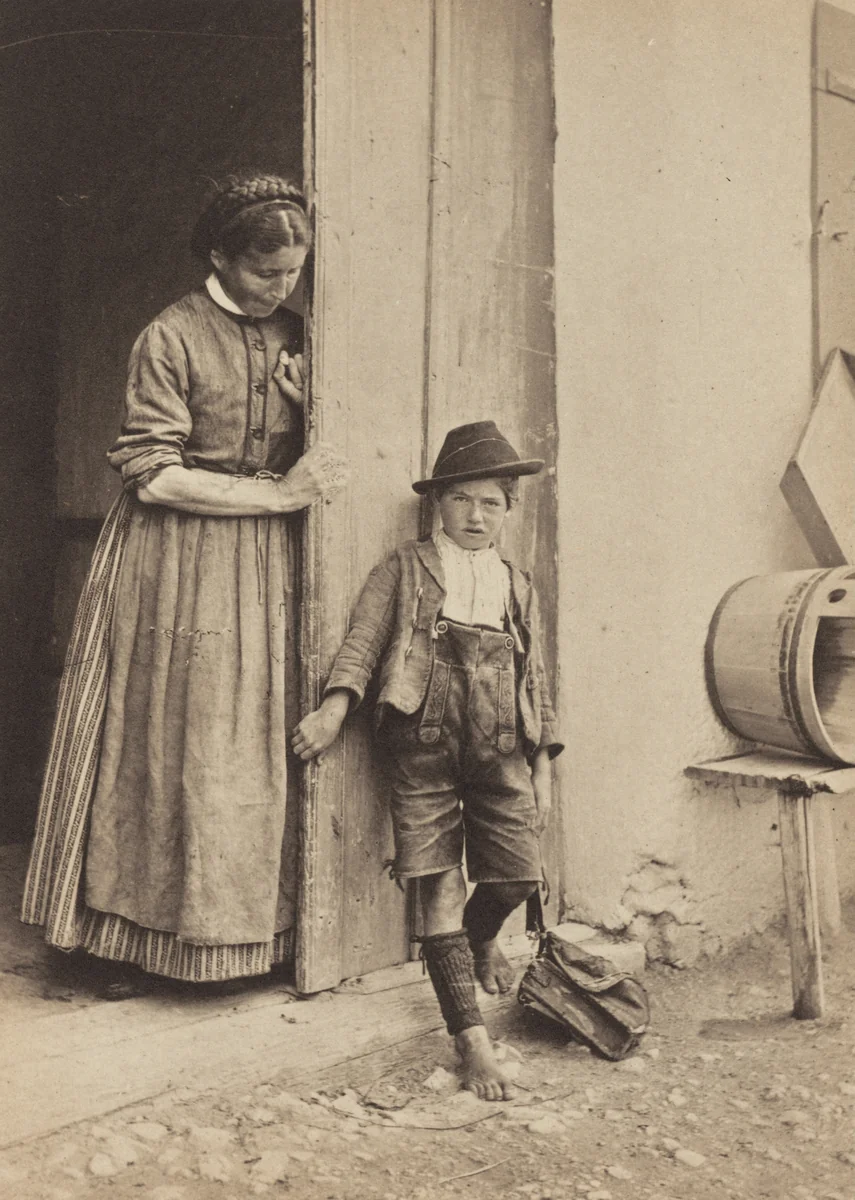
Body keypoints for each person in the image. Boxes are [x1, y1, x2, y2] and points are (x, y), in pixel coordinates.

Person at [22, 174, 348, 995]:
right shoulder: (169, 336)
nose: (281, 288)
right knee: (169, 738)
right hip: (174, 558)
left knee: (246, 745)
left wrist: (315, 412)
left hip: (263, 564)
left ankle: (243, 941)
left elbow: (321, 450)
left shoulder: (300, 333)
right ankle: (125, 940)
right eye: (264, 273)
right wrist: (275, 495)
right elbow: (154, 476)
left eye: (293, 273)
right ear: (220, 256)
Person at [292, 421, 562, 1100]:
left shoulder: (516, 583)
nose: (476, 516)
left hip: (502, 747)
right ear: (437, 503)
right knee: (438, 884)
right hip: (423, 746)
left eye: (490, 503)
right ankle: (471, 1043)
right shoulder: (405, 568)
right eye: (461, 500)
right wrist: (333, 709)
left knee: (517, 878)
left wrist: (543, 767)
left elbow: (537, 679)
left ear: (507, 509)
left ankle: (477, 941)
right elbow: (361, 640)